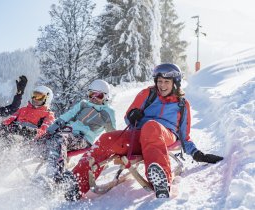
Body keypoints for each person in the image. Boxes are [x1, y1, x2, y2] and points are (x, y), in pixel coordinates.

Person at [58, 63, 224, 201]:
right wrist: (132, 116)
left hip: (164, 135)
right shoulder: (147, 94)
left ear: (175, 83)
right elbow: (128, 117)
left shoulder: (182, 104)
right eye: (159, 81)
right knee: (107, 138)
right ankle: (77, 182)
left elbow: (184, 136)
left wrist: (198, 154)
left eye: (167, 82)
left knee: (152, 127)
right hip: (138, 136)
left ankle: (160, 179)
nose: (162, 85)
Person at [43, 79, 116, 181]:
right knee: (45, 140)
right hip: (67, 133)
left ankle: (55, 175)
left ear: (106, 97)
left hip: (83, 139)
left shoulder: (108, 112)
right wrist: (51, 130)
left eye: (99, 96)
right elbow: (68, 115)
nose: (94, 98)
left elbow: (112, 134)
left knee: (60, 138)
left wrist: (113, 151)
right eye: (91, 94)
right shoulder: (83, 104)